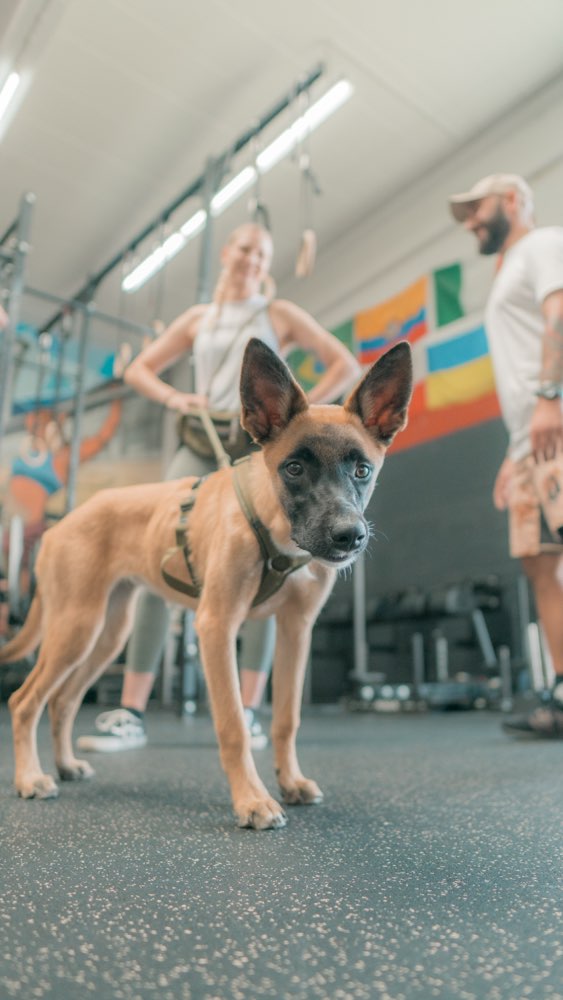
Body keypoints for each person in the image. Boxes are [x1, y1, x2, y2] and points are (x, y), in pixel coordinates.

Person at [77, 221, 361, 753]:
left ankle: (249, 711)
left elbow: (345, 363)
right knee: (157, 555)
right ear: (227, 252)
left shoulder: (278, 314)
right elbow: (139, 369)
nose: (254, 260)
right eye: (247, 249)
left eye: (264, 254)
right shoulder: (198, 319)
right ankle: (131, 711)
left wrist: (297, 417)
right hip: (199, 435)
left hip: (258, 441)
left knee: (268, 567)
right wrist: (174, 398)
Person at [448, 173, 563, 737]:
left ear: (514, 200)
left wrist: (550, 399)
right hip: (530, 441)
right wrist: (512, 452)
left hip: (556, 422)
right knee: (540, 563)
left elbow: (561, 314)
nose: (470, 220)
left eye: (477, 207)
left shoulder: (542, 245)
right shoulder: (505, 271)